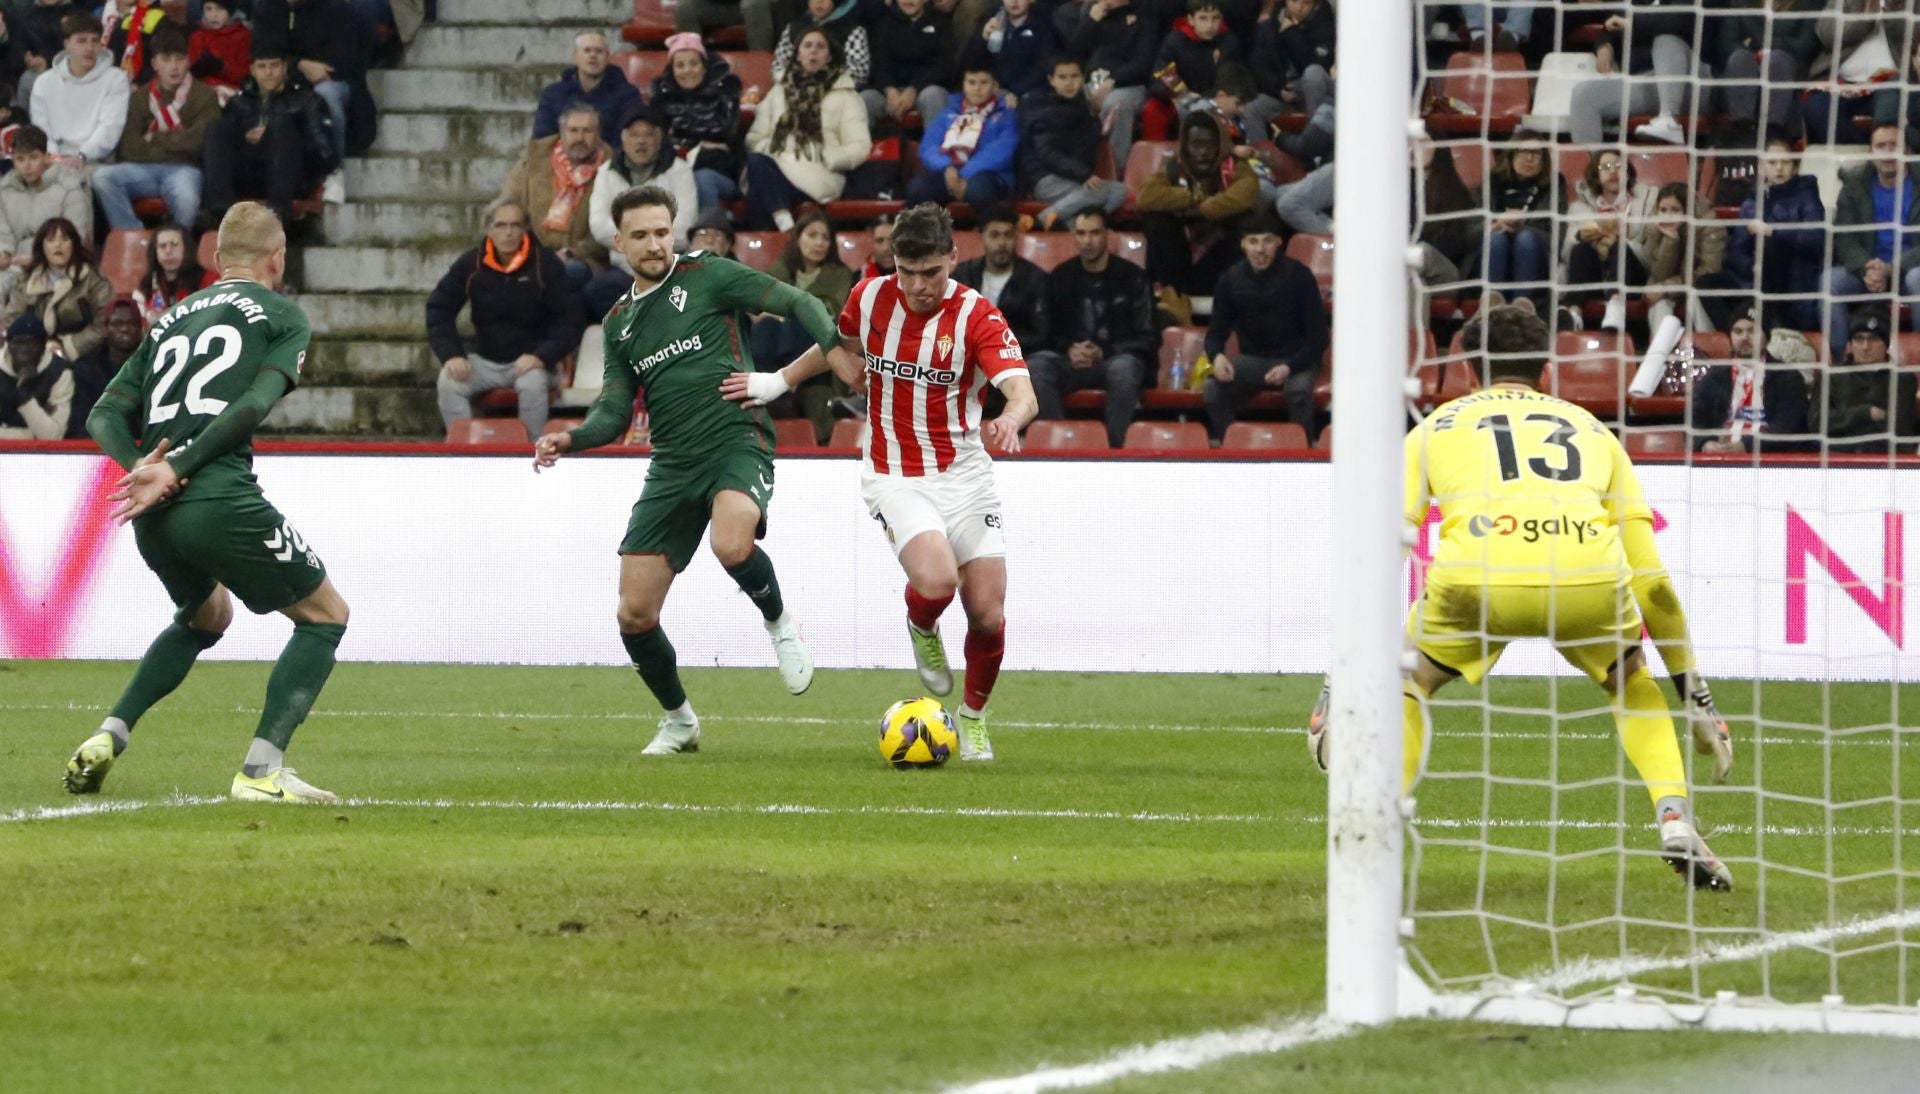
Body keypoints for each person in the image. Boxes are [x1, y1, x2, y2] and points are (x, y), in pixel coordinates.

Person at [1310, 300, 1736, 891]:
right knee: (1630, 680)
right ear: (1546, 372)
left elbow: (1382, 556)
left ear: (1471, 370)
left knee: (1407, 680)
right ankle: (1672, 815)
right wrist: (1697, 695)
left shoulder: (1435, 428)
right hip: (1586, 577)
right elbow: (1654, 585)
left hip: (1479, 576)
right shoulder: (1594, 431)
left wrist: (1340, 682)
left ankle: (1373, 835)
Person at [722, 203, 1039, 761]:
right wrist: (778, 381)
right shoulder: (869, 297)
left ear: (953, 259)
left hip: (966, 473)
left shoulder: (977, 317)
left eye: (931, 273)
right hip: (894, 471)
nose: (918, 286)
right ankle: (923, 627)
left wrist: (1011, 418)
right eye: (906, 272)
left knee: (988, 613)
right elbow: (837, 349)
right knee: (938, 582)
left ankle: (974, 718)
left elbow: (1021, 389)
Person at [532, 185, 837, 755]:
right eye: (641, 235)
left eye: (662, 231)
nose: (654, 244)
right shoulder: (621, 323)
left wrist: (828, 349)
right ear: (618, 241)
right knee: (634, 613)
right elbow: (615, 414)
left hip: (734, 440)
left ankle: (779, 624)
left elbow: (800, 301)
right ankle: (679, 721)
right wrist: (567, 438)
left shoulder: (709, 274)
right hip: (671, 464)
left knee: (732, 543)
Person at [67, 202, 352, 804]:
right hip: (214, 494)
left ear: (217, 260)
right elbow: (250, 406)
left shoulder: (171, 318)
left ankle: (109, 734)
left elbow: (103, 413)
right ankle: (261, 771)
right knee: (326, 615)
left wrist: (144, 468)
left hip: (155, 511)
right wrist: (177, 467)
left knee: (205, 616)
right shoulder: (281, 315)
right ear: (278, 258)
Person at [430, 199, 585, 441]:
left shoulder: (545, 264)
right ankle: (461, 450)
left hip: (535, 362)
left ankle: (531, 451)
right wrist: (451, 354)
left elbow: (571, 318)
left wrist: (541, 356)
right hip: (486, 361)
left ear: (525, 229)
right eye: (501, 225)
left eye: (515, 225)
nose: (508, 232)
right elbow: (439, 308)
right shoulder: (471, 264)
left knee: (531, 384)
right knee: (449, 382)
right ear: (489, 229)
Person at [1026, 206, 1152, 447]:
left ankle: (1116, 450)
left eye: (1094, 233)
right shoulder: (1060, 276)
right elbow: (1046, 333)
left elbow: (1148, 337)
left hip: (1112, 360)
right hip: (1069, 361)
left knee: (1125, 369)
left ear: (1108, 235)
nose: (1087, 241)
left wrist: (1104, 351)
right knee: (1036, 367)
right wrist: (1069, 350)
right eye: (1081, 233)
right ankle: (1059, 445)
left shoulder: (1133, 277)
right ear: (1074, 235)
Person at [1202, 209, 1327, 444]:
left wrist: (1290, 367)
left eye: (1267, 241)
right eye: (1253, 242)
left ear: (1279, 242)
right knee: (1212, 388)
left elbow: (1319, 338)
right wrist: (1217, 357)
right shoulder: (1230, 280)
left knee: (1298, 390)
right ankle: (1233, 446)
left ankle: (1302, 451)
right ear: (1243, 245)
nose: (1260, 249)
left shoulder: (1299, 276)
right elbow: (1215, 333)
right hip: (1254, 360)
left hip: (1296, 359)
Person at [742, 28, 870, 231]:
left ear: (829, 56)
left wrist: (831, 157)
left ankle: (780, 237)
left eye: (820, 47)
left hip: (818, 174)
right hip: (778, 167)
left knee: (759, 189)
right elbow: (755, 137)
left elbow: (860, 146)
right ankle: (785, 227)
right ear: (798, 53)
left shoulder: (846, 95)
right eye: (807, 46)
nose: (813, 52)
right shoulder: (779, 91)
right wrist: (773, 147)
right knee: (757, 165)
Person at [94, 27, 219, 231]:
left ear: (188, 61)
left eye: (179, 59)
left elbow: (199, 144)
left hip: (184, 169)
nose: (174, 66)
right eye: (166, 59)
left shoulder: (205, 96)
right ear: (154, 64)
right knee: (103, 178)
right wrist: (177, 141)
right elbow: (129, 148)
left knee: (186, 198)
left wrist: (155, 137)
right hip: (144, 170)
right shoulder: (139, 98)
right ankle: (135, 238)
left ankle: (177, 247)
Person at [199, 51, 337, 228]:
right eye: (262, 67)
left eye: (274, 66)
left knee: (280, 126)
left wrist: (285, 137)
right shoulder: (239, 103)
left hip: (290, 178)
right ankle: (218, 211)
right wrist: (246, 139)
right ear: (252, 70)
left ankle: (278, 213)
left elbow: (325, 155)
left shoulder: (307, 100)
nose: (268, 72)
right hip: (249, 176)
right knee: (217, 128)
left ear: (284, 68)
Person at [586, 101, 698, 315]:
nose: (641, 142)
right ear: (623, 138)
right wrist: (644, 241)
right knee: (595, 293)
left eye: (647, 135)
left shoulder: (679, 171)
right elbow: (598, 226)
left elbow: (684, 228)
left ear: (659, 139)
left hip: (667, 269)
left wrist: (635, 237)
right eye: (634, 135)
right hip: (623, 270)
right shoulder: (607, 173)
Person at [1135, 110, 1259, 303]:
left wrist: (1204, 208)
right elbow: (1144, 196)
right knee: (1155, 219)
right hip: (1181, 260)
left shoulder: (1235, 166)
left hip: (1220, 256)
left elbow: (1247, 193)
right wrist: (1190, 197)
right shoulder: (1175, 167)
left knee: (1247, 221)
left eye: (1210, 145)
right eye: (1197, 145)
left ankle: (1235, 295)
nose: (1203, 152)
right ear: (1185, 146)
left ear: (1221, 145)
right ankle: (1174, 297)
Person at [753, 208, 854, 442]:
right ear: (798, 238)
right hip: (775, 346)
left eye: (825, 237)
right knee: (766, 326)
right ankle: (773, 384)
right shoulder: (779, 271)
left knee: (799, 323)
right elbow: (757, 309)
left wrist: (794, 314)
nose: (819, 243)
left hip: (820, 347)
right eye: (812, 235)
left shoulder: (840, 275)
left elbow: (834, 317)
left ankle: (785, 386)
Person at [1824, 123, 1920, 343]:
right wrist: (1867, 266)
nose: (1887, 152)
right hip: (1867, 271)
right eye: (1880, 146)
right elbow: (1844, 237)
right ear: (1870, 152)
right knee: (1830, 282)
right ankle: (1839, 362)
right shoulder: (1853, 184)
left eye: (1894, 145)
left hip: (1910, 270)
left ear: (1907, 151)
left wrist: (1892, 268)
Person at [500, 101, 611, 288]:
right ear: (562, 132)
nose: (580, 138)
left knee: (562, 273)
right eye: (573, 130)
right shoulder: (533, 161)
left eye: (587, 131)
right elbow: (508, 205)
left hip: (583, 260)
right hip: (532, 251)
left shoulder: (611, 168)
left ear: (598, 135)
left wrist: (571, 252)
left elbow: (611, 229)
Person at [1722, 138, 1826, 333]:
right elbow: (1736, 250)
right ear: (1761, 168)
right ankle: (1732, 337)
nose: (1779, 168)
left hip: (1797, 278)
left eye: (1785, 162)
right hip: (1755, 279)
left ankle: (1773, 324)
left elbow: (1816, 239)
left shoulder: (1807, 196)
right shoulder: (1751, 203)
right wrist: (1752, 266)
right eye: (1772, 162)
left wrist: (1772, 231)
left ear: (1794, 167)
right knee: (1707, 283)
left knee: (1770, 245)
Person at [1016, 54, 1128, 231]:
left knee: (1120, 191)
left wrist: (1095, 110)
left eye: (1074, 77)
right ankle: (1041, 220)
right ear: (1051, 80)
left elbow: (1088, 145)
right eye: (1062, 77)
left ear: (1083, 78)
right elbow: (1047, 154)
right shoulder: (1041, 108)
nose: (1069, 83)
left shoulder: (1082, 106)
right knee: (1100, 191)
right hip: (1045, 177)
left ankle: (1074, 227)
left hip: (1073, 177)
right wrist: (1083, 174)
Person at [1690, 307, 1811, 454]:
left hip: (1769, 460)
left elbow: (1789, 428)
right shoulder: (1715, 376)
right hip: (1720, 458)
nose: (1744, 337)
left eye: (1752, 331)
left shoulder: (1787, 376)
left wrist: (1746, 446)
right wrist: (1706, 444)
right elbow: (1694, 421)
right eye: (1738, 331)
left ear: (1766, 337)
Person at [649, 34, 746, 215]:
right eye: (680, 65)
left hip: (721, 175)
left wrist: (687, 151)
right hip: (674, 172)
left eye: (694, 64)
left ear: (704, 67)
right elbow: (659, 148)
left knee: (701, 179)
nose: (687, 71)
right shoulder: (661, 102)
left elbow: (730, 150)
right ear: (672, 70)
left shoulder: (725, 98)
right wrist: (701, 148)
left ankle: (709, 234)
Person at [0, 125, 92, 301]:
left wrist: (38, 258)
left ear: (48, 157)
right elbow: (2, 233)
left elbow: (74, 239)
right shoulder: (4, 191)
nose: (26, 166)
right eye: (20, 159)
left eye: (33, 158)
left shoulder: (70, 188)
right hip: (13, 266)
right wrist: (3, 253)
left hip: (58, 267)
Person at [29, 13, 130, 169]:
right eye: (81, 41)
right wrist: (57, 160)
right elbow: (42, 132)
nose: (89, 48)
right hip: (53, 162)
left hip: (97, 163)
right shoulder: (44, 82)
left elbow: (110, 128)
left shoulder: (115, 79)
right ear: (67, 43)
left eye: (95, 41)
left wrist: (82, 156)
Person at [907, 65, 1018, 207]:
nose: (977, 88)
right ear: (963, 85)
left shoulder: (1006, 114)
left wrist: (965, 173)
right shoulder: (948, 113)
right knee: (919, 189)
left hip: (990, 175)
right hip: (949, 170)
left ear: (995, 86)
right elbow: (929, 147)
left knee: (978, 189)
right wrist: (947, 167)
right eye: (971, 82)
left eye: (984, 82)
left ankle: (987, 227)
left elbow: (1003, 151)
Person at [1069, 0, 1159, 175]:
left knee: (1117, 104)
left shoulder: (1145, 18)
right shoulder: (1093, 15)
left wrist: (1113, 82)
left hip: (1129, 86)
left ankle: (1113, 171)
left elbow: (1144, 63)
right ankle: (1074, 171)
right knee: (1065, 100)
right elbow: (1075, 53)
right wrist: (1090, 22)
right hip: (1091, 83)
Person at [6, 217, 112, 361]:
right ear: (42, 247)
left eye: (65, 239)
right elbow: (14, 321)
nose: (58, 245)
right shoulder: (25, 282)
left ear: (74, 244)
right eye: (51, 240)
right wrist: (43, 346)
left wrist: (65, 346)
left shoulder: (94, 279)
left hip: (85, 354)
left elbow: (103, 324)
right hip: (35, 352)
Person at [1813, 310, 1918, 455]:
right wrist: (1865, 413)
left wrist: (1842, 420)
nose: (1865, 346)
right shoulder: (1832, 376)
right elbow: (1816, 423)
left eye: (1873, 339)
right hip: (1838, 458)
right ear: (1850, 344)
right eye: (1858, 339)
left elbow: (1900, 429)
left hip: (1885, 460)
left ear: (1886, 345)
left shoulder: (1903, 379)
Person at [954, 205, 1049, 351]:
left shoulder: (1035, 278)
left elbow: (1041, 335)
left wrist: (999, 342)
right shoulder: (963, 275)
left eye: (1008, 235)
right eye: (994, 235)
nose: (1002, 243)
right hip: (968, 353)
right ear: (981, 236)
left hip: (1017, 356)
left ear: (1017, 236)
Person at [1481, 138, 1558, 308]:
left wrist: (1519, 224)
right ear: (1510, 155)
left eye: (1536, 153)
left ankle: (1522, 307)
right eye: (1523, 152)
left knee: (1525, 237)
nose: (1529, 158)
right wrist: (1496, 223)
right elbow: (1469, 228)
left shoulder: (1554, 184)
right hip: (1493, 256)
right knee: (1497, 239)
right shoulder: (1491, 182)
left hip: (1536, 260)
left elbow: (1557, 235)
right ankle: (1490, 305)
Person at [530, 30, 640, 149]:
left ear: (608, 57)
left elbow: (628, 140)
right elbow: (543, 139)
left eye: (599, 51)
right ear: (575, 56)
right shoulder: (552, 95)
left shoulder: (628, 95)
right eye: (587, 50)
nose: (593, 55)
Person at [864, 0, 955, 127]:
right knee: (865, 99)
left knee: (934, 95)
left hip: (924, 90)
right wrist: (889, 89)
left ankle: (934, 146)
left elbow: (944, 65)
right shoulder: (884, 22)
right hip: (890, 93)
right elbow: (879, 63)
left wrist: (914, 89)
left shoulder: (940, 22)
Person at [67, 296, 144, 436]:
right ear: (105, 328)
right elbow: (79, 422)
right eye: (117, 323)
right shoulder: (86, 369)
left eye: (131, 323)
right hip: (97, 449)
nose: (125, 329)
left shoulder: (155, 364)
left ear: (140, 327)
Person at [964, 0, 1060, 104]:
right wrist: (983, 39)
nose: (1014, 2)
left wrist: (1016, 92)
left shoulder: (1042, 26)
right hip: (991, 91)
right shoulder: (991, 21)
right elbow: (971, 65)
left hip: (1029, 94)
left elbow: (1044, 66)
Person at [0, 311, 74, 439]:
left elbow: (53, 437)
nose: (24, 350)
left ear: (43, 346)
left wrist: (25, 397)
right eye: (18, 342)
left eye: (31, 343)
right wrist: (32, 435)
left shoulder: (60, 372)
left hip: (46, 456)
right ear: (9, 344)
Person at [771, 0, 870, 88]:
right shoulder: (794, 28)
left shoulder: (852, 30)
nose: (819, 1)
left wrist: (821, 83)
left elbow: (859, 73)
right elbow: (778, 67)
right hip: (796, 91)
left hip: (837, 91)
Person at [133, 223, 216, 324]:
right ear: (155, 252)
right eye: (162, 246)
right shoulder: (145, 288)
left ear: (187, 248)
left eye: (175, 244)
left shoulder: (211, 283)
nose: (168, 251)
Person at [188, 0, 253, 99]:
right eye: (209, 9)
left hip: (234, 94)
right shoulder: (196, 37)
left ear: (230, 11)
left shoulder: (243, 36)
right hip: (201, 93)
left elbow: (246, 75)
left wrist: (221, 67)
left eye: (220, 9)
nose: (214, 15)